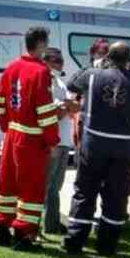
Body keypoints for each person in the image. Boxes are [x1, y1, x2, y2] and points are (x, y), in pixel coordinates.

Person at [62, 42, 130, 256]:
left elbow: (71, 84)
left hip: (94, 143)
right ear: (129, 60)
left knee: (85, 191)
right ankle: (107, 246)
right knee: (116, 196)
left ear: (107, 57)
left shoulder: (93, 75)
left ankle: (75, 241)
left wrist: (95, 67)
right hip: (123, 147)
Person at [0, 27, 60, 251]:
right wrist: (52, 141)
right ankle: (23, 237)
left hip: (12, 133)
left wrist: (6, 127)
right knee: (30, 187)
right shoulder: (41, 71)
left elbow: (0, 101)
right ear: (40, 44)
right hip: (31, 138)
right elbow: (45, 110)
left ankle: (2, 232)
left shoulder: (11, 67)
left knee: (8, 184)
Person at [42, 48, 78, 235]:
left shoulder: (60, 84)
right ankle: (41, 224)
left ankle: (52, 223)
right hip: (52, 142)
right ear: (45, 61)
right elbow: (51, 113)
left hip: (64, 142)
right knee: (46, 186)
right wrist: (65, 107)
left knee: (55, 187)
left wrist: (68, 106)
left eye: (61, 61)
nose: (60, 64)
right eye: (55, 60)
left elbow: (70, 108)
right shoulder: (45, 84)